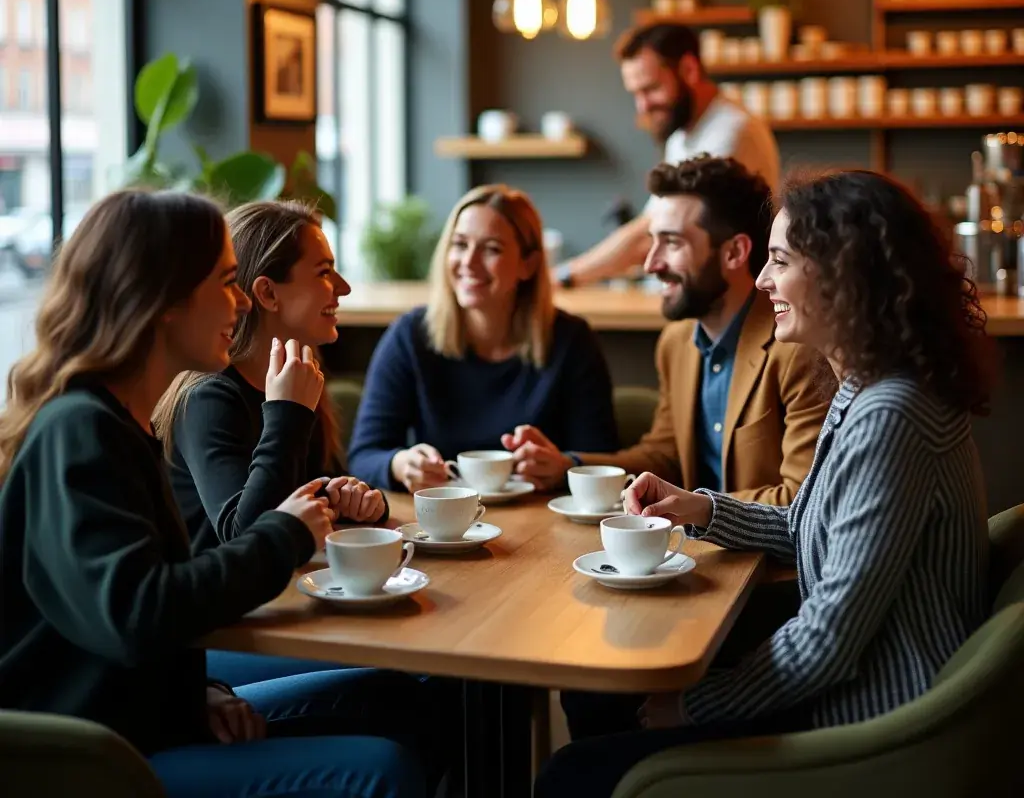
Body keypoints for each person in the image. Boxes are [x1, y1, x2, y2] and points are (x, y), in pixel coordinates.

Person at [535, 169, 993, 798]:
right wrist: (695, 507)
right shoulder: (865, 386)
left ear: (843, 272)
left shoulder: (890, 415)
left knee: (571, 774)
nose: (761, 280)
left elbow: (830, 638)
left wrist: (700, 705)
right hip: (850, 692)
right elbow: (805, 518)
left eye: (779, 260)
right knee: (602, 702)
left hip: (873, 721)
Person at [0, 190, 429, 798]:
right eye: (226, 283)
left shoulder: (119, 424)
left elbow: (130, 615)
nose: (239, 301)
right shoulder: (82, 431)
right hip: (93, 756)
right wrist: (284, 533)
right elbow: (138, 615)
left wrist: (203, 689)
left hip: (148, 714)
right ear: (165, 301)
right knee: (383, 772)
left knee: (393, 698)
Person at [156, 200, 388, 687]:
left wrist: (356, 501)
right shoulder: (210, 395)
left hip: (285, 607)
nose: (342, 288)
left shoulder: (296, 380)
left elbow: (307, 502)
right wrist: (287, 415)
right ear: (267, 292)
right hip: (220, 637)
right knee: (402, 674)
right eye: (324, 272)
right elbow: (245, 536)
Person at [509, 156, 827, 499]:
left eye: (672, 243)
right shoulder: (676, 343)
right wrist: (566, 465)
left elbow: (800, 500)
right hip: (692, 546)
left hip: (761, 551)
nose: (651, 263)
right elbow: (664, 456)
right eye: (652, 241)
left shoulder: (799, 350)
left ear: (734, 252)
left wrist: (694, 508)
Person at [348, 184, 618, 493]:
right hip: (443, 524)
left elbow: (602, 461)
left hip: (543, 522)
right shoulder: (410, 336)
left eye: (492, 249)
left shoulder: (572, 340)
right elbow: (363, 456)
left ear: (527, 265)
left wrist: (563, 464)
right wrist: (399, 464)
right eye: (460, 244)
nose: (469, 262)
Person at [553, 22, 780, 288]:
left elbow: (650, 233)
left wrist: (565, 275)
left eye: (650, 89)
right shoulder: (682, 134)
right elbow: (651, 223)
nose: (642, 105)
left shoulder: (731, 131)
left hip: (737, 301)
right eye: (636, 93)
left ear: (689, 69)